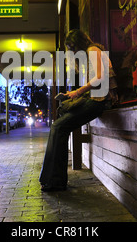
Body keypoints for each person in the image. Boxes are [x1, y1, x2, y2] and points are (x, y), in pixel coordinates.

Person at [39, 29, 118, 192]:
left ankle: (55, 181)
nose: (73, 51)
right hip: (95, 98)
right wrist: (74, 94)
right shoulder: (90, 52)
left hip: (100, 100)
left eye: (73, 46)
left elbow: (100, 77)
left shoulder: (93, 50)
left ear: (80, 43)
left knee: (59, 127)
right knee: (59, 127)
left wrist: (78, 92)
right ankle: (53, 179)